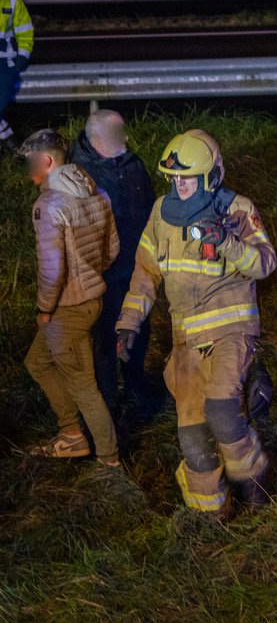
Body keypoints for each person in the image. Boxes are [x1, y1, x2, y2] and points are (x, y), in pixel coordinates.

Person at [116, 129, 277, 515]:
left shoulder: (237, 208)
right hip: (185, 341)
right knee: (193, 440)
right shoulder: (160, 212)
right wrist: (128, 323)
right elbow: (145, 273)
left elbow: (265, 264)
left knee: (222, 414)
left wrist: (226, 241)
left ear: (210, 175)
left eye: (186, 178)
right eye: (174, 178)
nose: (179, 185)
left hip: (230, 331)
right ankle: (210, 517)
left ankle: (255, 486)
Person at [20, 128, 121, 467]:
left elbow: (52, 270)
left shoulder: (49, 205)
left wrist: (45, 309)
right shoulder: (97, 192)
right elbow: (112, 249)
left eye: (30, 162)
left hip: (67, 309)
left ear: (46, 161)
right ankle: (71, 434)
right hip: (92, 301)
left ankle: (109, 460)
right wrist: (92, 276)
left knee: (83, 386)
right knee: (37, 362)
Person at [69, 109, 156, 421]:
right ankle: (106, 409)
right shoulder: (77, 176)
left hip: (136, 271)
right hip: (102, 278)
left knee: (139, 330)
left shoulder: (133, 167)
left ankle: (136, 388)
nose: (126, 139)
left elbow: (149, 212)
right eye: (118, 133)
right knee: (104, 343)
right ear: (97, 140)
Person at [0, 0, 34, 153]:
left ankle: (9, 141)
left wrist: (21, 58)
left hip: (5, 62)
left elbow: (25, 33)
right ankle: (7, 138)